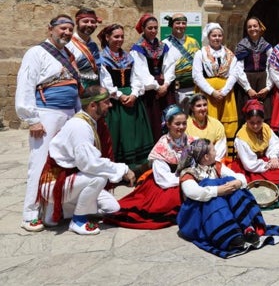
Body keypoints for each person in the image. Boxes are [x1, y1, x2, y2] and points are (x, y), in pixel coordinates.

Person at [39, 86, 136, 235]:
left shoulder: (88, 121)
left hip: (69, 178)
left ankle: (65, 209)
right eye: (106, 102)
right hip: (55, 185)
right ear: (92, 105)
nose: (110, 105)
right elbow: (89, 164)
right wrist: (123, 169)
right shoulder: (81, 127)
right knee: (99, 176)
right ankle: (77, 220)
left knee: (112, 208)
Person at [16, 14, 82, 232]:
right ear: (50, 29)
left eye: (70, 29)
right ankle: (31, 212)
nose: (67, 33)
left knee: (65, 161)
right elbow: (26, 85)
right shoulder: (36, 53)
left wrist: (78, 114)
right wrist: (32, 119)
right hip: (46, 114)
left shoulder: (69, 54)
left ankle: (56, 210)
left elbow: (74, 86)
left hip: (68, 113)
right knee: (40, 162)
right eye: (63, 28)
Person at [176, 138, 279, 258]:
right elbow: (194, 192)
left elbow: (239, 177)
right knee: (211, 189)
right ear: (206, 157)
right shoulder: (189, 173)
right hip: (197, 217)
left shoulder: (216, 166)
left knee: (231, 182)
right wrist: (218, 191)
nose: (216, 152)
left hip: (219, 211)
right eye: (213, 150)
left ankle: (247, 227)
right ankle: (227, 235)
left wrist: (237, 182)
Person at [105, 104, 193, 229]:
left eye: (184, 123)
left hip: (186, 178)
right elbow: (164, 179)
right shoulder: (161, 147)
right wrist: (187, 179)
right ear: (168, 124)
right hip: (166, 183)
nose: (182, 127)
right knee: (168, 201)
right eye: (177, 124)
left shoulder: (191, 141)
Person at [98, 23, 153, 167]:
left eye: (122, 36)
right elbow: (105, 82)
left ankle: (137, 165)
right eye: (116, 36)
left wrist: (134, 94)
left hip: (133, 101)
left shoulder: (128, 57)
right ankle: (117, 166)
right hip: (115, 102)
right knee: (118, 134)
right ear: (107, 37)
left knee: (135, 134)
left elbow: (136, 77)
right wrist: (120, 95)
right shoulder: (102, 58)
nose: (119, 39)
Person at [192, 22, 241, 156]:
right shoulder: (200, 54)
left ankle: (228, 156)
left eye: (219, 35)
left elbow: (234, 74)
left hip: (226, 95)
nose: (217, 38)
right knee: (209, 121)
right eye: (214, 35)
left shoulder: (230, 54)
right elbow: (197, 76)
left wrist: (224, 91)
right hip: (207, 95)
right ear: (209, 37)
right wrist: (212, 92)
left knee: (228, 124)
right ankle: (206, 154)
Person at [130, 14, 173, 143]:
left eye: (155, 28)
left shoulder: (162, 46)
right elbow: (141, 71)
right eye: (150, 28)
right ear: (143, 28)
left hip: (165, 87)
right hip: (149, 90)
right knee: (152, 121)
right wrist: (156, 86)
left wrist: (166, 84)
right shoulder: (138, 48)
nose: (153, 31)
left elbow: (170, 65)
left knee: (168, 118)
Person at [231, 100, 279, 184]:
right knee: (260, 182)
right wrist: (269, 165)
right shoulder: (242, 137)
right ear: (246, 120)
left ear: (263, 119)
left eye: (259, 122)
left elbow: (274, 144)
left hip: (265, 160)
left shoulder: (266, 128)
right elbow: (249, 164)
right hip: (249, 166)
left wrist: (273, 157)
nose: (255, 126)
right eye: (252, 123)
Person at [234, 15, 273, 122]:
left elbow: (272, 67)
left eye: (255, 26)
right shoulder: (241, 46)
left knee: (265, 115)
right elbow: (238, 69)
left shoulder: (267, 47)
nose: (253, 29)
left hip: (263, 83)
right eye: (249, 27)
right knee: (247, 114)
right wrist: (248, 88)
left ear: (260, 28)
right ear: (246, 29)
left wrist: (268, 87)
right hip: (246, 83)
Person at [162, 13, 200, 108]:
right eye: (178, 23)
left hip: (193, 88)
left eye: (183, 23)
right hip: (175, 90)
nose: (181, 26)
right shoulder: (164, 44)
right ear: (172, 24)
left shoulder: (194, 42)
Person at [185, 93, 227, 160]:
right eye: (198, 106)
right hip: (193, 163)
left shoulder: (216, 124)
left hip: (215, 161)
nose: (203, 108)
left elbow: (221, 147)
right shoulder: (185, 126)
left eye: (205, 105)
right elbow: (186, 150)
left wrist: (211, 162)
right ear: (192, 108)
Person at [68, 8, 102, 90]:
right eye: (85, 21)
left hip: (94, 89)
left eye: (93, 22)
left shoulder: (93, 45)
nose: (89, 24)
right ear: (77, 22)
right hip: (77, 89)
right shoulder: (69, 45)